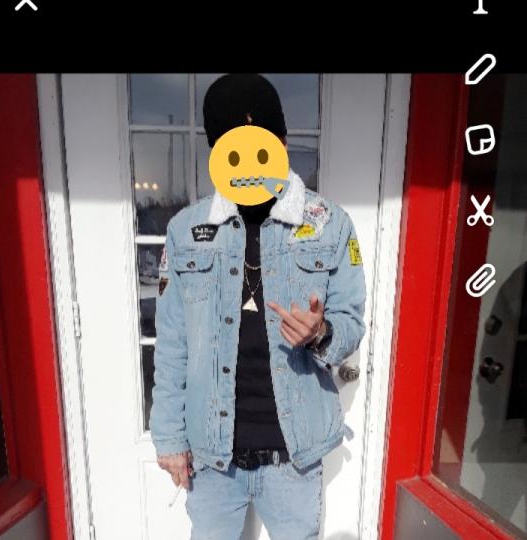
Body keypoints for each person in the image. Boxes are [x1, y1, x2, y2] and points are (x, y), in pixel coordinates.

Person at [150, 73, 366, 540]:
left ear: (281, 142)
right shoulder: (186, 230)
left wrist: (322, 333)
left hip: (295, 457)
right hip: (211, 459)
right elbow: (172, 344)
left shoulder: (330, 224)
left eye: (261, 141)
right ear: (216, 152)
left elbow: (351, 321)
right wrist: (168, 437)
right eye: (233, 144)